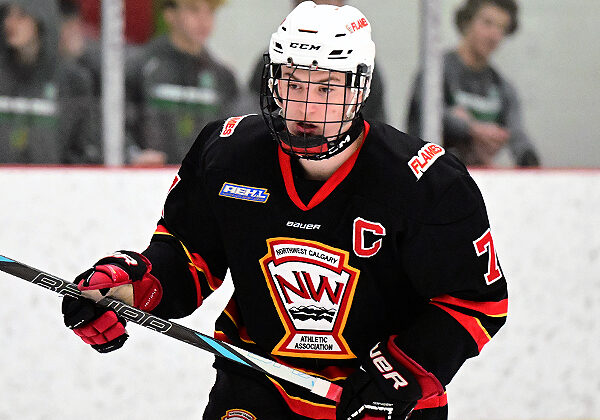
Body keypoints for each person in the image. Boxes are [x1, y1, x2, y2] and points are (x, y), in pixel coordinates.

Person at [61, 2, 508, 419]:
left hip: (377, 401)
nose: (305, 106)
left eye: (327, 86)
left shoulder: (427, 181)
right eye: (292, 82)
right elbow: (188, 256)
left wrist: (400, 372)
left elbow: (476, 302)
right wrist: (128, 289)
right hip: (257, 385)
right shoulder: (227, 153)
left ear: (361, 89)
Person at [407, 0, 539, 167]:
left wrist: (531, 162)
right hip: (428, 174)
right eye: (487, 23)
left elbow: (518, 137)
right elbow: (428, 114)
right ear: (467, 22)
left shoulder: (502, 87)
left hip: (474, 177)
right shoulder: (435, 73)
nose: (494, 35)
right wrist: (470, 129)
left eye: (502, 28)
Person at [125, 0, 239, 166]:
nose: (203, 20)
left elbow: (235, 130)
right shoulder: (140, 66)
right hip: (150, 176)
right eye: (193, 10)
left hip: (203, 177)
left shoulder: (223, 76)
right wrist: (131, 154)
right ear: (169, 14)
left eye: (210, 12)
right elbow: (114, 120)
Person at [247, 0, 388, 124]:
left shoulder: (359, 65)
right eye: (293, 85)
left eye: (326, 89)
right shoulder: (275, 60)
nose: (306, 109)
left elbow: (375, 123)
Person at [0, 0, 99, 164]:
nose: (10, 23)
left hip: (54, 178)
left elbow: (84, 146)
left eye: (22, 15)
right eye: (7, 15)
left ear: (41, 20)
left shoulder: (72, 81)